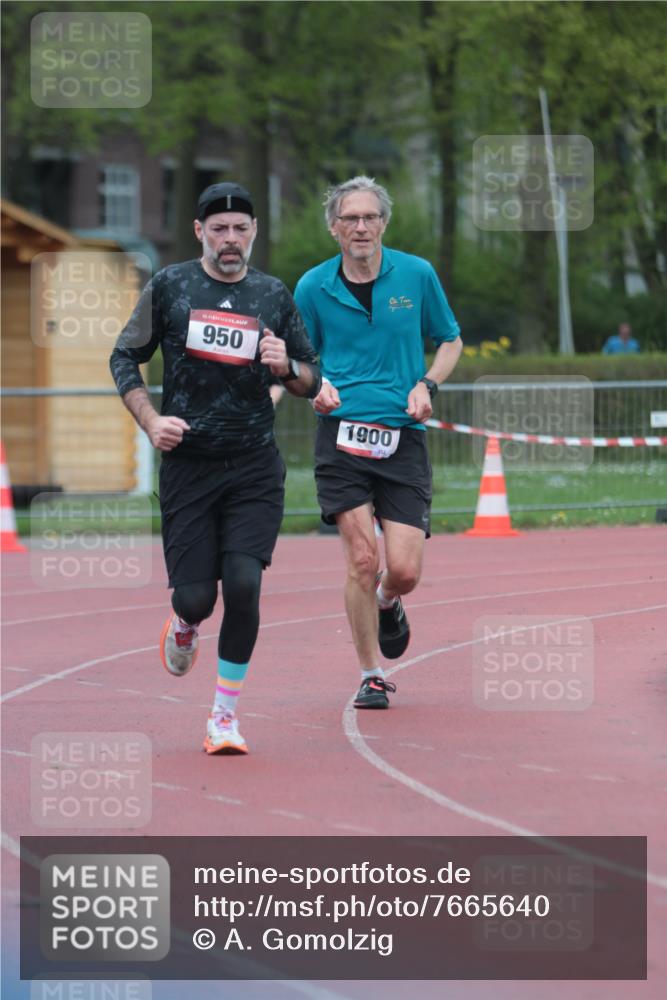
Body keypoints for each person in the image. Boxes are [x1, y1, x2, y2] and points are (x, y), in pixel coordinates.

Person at [110, 182, 321, 755]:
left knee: (245, 585)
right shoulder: (170, 286)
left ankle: (223, 717)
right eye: (220, 229)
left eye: (241, 229)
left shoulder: (272, 295)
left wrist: (287, 366)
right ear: (200, 231)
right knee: (197, 598)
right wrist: (151, 421)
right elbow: (124, 355)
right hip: (189, 467)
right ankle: (184, 623)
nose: (231, 239)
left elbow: (312, 378)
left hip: (253, 466)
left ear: (254, 233)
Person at [294, 176, 462, 710]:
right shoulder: (312, 287)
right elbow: (300, 358)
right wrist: (314, 388)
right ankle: (371, 674)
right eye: (350, 218)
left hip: (402, 436)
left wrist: (426, 384)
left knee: (403, 570)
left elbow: (451, 339)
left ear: (384, 223)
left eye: (370, 217)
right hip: (341, 437)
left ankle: (389, 600)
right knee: (362, 558)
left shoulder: (416, 274)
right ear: (334, 227)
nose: (361, 227)